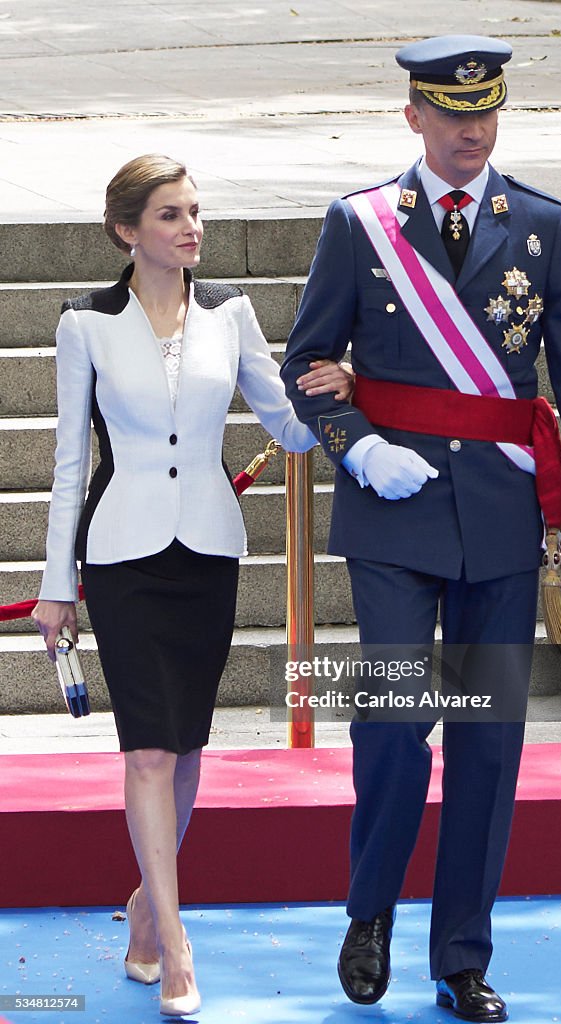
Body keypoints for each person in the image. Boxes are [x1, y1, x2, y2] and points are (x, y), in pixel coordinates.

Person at [281, 35, 561, 1023]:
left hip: (499, 518)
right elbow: (306, 364)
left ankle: (462, 958)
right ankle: (369, 913)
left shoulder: (544, 227)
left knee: (487, 742)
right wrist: (354, 448)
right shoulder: (359, 226)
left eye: (484, 113)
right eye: (450, 112)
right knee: (394, 725)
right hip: (393, 517)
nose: (470, 129)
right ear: (414, 118)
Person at [31, 154, 352, 1018]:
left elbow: (284, 424)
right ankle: (176, 945)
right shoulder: (85, 325)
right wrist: (56, 584)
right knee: (146, 749)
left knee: (188, 751)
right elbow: (70, 466)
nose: (191, 228)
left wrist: (336, 394)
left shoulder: (231, 316)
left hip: (207, 551)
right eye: (171, 215)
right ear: (128, 230)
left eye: (196, 212)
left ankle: (145, 906)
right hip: (123, 554)